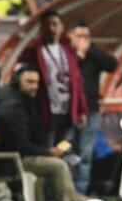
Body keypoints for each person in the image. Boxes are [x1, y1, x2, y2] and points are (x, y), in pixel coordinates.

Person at [0, 65, 83, 201]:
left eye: (36, 82)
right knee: (58, 165)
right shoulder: (12, 106)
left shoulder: (26, 101)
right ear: (17, 81)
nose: (34, 86)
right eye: (29, 82)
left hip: (18, 157)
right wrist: (48, 152)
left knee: (61, 161)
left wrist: (49, 150)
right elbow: (21, 145)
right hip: (9, 161)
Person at [19, 10, 86, 147]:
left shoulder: (68, 50)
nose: (51, 29)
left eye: (55, 24)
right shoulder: (34, 51)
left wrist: (81, 109)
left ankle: (64, 167)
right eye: (47, 25)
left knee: (65, 148)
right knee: (48, 147)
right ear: (41, 28)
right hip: (46, 112)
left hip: (67, 111)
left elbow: (77, 82)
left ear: (61, 27)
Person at [69, 21, 117, 195]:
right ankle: (64, 191)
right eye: (79, 36)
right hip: (67, 113)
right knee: (67, 150)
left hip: (91, 111)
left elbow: (112, 64)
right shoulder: (64, 54)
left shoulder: (94, 55)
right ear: (70, 37)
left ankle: (80, 191)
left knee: (85, 153)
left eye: (86, 37)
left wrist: (90, 50)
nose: (83, 40)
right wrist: (76, 55)